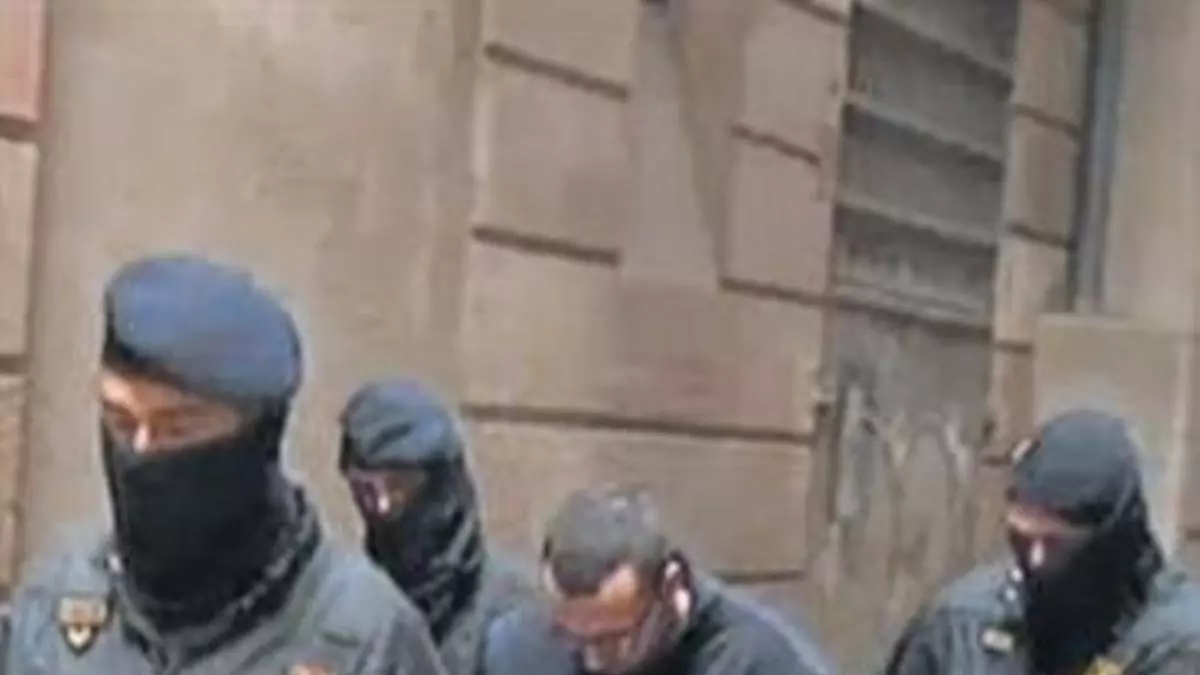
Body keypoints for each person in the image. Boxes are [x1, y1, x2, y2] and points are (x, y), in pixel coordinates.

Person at [5, 255, 447, 675]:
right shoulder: (57, 601)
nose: (141, 452)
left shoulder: (363, 639)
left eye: (177, 429)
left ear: (255, 438)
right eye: (121, 422)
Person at [881, 409, 1200, 675]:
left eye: (1057, 544)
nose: (1035, 560)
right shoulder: (960, 626)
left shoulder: (1178, 647)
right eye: (1022, 539)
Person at [482, 484, 836, 675]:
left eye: (614, 639)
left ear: (671, 587)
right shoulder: (519, 650)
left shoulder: (760, 662)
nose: (593, 662)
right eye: (569, 634)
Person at [339, 378, 537, 675]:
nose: (382, 507)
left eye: (399, 486)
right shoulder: (347, 608)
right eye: (365, 490)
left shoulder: (512, 615)